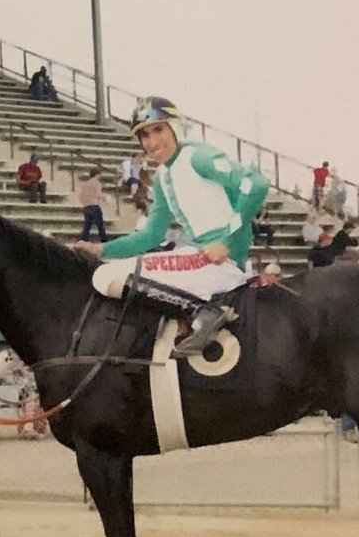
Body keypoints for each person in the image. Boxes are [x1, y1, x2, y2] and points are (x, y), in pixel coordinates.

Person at [75, 98, 269, 359]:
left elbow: (255, 184)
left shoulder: (198, 157)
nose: (151, 142)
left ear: (175, 128)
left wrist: (226, 241)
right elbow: (150, 236)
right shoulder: (163, 177)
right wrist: (100, 249)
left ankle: (203, 311)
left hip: (223, 264)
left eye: (158, 130)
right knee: (106, 272)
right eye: (144, 135)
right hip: (199, 258)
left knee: (106, 276)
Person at [76, 168, 107, 240]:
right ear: (97, 175)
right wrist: (105, 199)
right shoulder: (97, 183)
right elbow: (98, 194)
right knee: (100, 225)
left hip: (86, 207)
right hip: (94, 206)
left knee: (87, 227)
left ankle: (84, 240)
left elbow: (81, 196)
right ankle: (104, 240)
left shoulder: (86, 184)